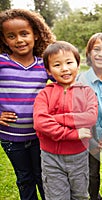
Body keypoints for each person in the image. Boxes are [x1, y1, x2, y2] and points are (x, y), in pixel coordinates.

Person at [0, 8, 55, 200]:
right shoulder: (2, 63)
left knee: (43, 176)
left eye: (24, 34)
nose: (19, 40)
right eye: (11, 36)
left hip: (40, 136)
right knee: (24, 178)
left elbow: (64, 84)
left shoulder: (43, 65)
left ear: (36, 35)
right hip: (10, 137)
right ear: (5, 40)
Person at [33, 41, 98, 199]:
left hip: (78, 156)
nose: (64, 68)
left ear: (78, 64)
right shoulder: (44, 94)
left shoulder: (87, 92)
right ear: (48, 70)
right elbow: (41, 123)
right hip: (51, 157)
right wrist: (73, 134)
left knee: (80, 195)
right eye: (57, 64)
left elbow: (90, 117)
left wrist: (57, 118)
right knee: (56, 196)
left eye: (69, 62)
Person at [77, 32, 102, 200]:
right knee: (91, 175)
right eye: (96, 49)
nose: (101, 54)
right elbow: (78, 111)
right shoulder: (81, 79)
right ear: (89, 53)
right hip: (90, 138)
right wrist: (92, 139)